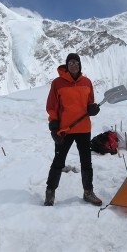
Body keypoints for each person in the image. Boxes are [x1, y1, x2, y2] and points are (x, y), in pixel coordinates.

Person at [44, 53, 102, 207]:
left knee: (86, 162)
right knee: (58, 161)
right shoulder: (58, 83)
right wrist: (54, 127)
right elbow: (52, 106)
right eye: (70, 63)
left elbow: (90, 104)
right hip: (65, 130)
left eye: (76, 63)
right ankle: (50, 192)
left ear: (80, 65)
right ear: (67, 66)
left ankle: (88, 192)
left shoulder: (87, 82)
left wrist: (93, 109)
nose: (73, 66)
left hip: (83, 128)